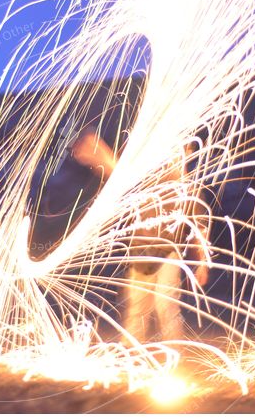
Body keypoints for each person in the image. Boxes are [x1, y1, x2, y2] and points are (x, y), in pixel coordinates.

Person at [71, 127, 209, 342]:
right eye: (178, 151)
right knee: (137, 308)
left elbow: (200, 225)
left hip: (168, 253)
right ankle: (131, 352)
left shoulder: (189, 188)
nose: (181, 157)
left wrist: (202, 263)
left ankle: (174, 352)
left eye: (185, 152)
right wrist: (97, 153)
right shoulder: (150, 178)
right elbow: (117, 174)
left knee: (167, 306)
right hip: (142, 252)